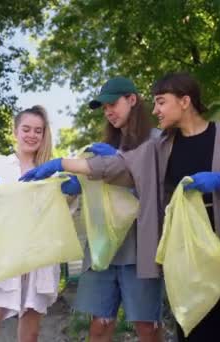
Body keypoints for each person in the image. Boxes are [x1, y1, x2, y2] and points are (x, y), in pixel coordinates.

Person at [21, 72, 220, 341]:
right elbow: (119, 167)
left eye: (161, 102)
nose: (155, 110)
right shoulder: (160, 147)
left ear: (185, 101)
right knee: (198, 334)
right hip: (190, 261)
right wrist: (61, 164)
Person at [64, 77, 164, 342]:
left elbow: (158, 194)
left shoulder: (157, 141)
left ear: (132, 100)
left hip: (140, 251)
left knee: (147, 327)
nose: (108, 111)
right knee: (99, 324)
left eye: (112, 104)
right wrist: (75, 185)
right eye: (104, 107)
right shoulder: (102, 149)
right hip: (103, 251)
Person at [0, 105, 60, 342]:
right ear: (15, 131)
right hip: (2, 257)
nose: (32, 135)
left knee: (30, 334)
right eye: (26, 129)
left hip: (37, 258)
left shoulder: (50, 171)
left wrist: (70, 193)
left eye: (38, 131)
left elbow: (64, 214)